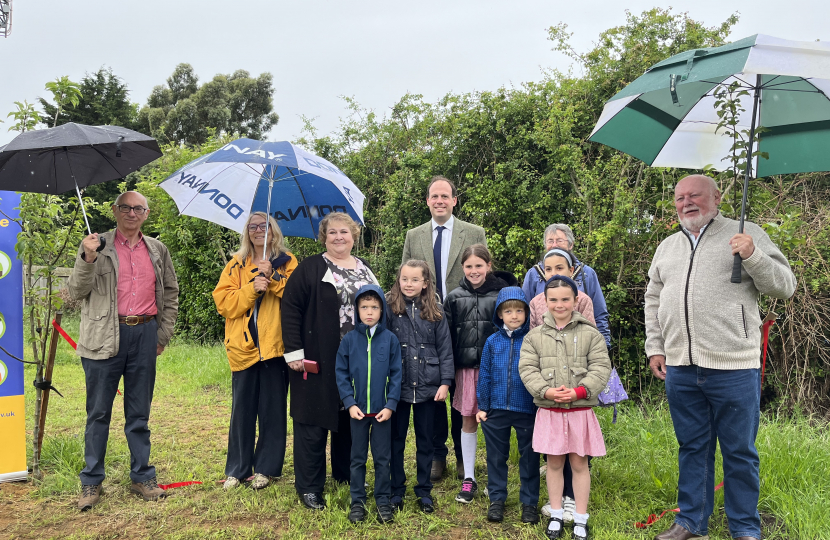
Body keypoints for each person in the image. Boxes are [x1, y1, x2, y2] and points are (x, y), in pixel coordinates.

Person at [645, 175, 796, 540]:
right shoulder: (667, 246)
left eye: (695, 195)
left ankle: (744, 527)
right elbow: (653, 298)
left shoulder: (746, 234)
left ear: (716, 197)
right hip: (681, 366)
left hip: (733, 366)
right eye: (680, 197)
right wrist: (656, 346)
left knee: (739, 451)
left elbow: (784, 286)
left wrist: (753, 255)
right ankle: (691, 522)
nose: (686, 202)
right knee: (692, 447)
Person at [68, 191, 179, 511]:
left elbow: (170, 292)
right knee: (98, 412)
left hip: (144, 334)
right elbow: (76, 291)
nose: (132, 213)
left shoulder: (157, 249)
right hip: (103, 335)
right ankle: (91, 482)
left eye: (138, 208)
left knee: (139, 413)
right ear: (115, 211)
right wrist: (87, 258)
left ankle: (142, 476)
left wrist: (163, 333)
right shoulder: (95, 244)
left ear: (146, 213)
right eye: (126, 208)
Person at [281, 212, 379, 510]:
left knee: (349, 415)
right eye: (332, 232)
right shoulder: (310, 268)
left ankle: (344, 473)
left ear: (354, 236)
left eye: (345, 232)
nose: (339, 237)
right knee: (312, 419)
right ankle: (310, 487)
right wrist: (295, 352)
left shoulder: (366, 269)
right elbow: (290, 308)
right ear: (324, 236)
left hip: (358, 358)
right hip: (318, 356)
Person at [402, 175, 487, 482]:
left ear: (454, 200)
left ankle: (465, 458)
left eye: (445, 196)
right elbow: (407, 279)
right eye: (434, 196)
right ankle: (438, 454)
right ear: (427, 201)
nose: (439, 201)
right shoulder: (415, 235)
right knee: (433, 391)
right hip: (427, 325)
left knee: (462, 391)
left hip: (464, 324)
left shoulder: (474, 232)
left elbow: (481, 275)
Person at [519, 276, 611, 540]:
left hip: (580, 411)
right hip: (550, 411)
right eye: (554, 300)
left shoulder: (591, 334)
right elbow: (527, 369)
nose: (560, 305)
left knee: (580, 464)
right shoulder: (534, 336)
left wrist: (579, 391)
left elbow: (600, 367)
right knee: (553, 464)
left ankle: (580, 518)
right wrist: (545, 391)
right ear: (545, 302)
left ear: (575, 301)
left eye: (565, 299)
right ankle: (557, 514)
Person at [212, 212, 297, 490]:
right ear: (247, 232)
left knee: (273, 411)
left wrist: (271, 280)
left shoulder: (288, 262)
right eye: (253, 227)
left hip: (275, 348)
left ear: (274, 231)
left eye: (265, 226)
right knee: (242, 412)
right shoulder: (236, 264)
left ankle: (266, 469)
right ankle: (237, 469)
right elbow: (224, 303)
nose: (259, 231)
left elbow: (297, 297)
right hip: (243, 348)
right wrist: (252, 287)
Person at [386, 260, 454, 514]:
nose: (409, 284)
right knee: (396, 440)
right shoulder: (389, 308)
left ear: (425, 283)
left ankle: (424, 490)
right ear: (399, 280)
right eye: (405, 279)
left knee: (426, 441)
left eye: (415, 280)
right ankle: (396, 489)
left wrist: (445, 382)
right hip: (398, 387)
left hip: (428, 386)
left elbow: (445, 349)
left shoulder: (435, 310)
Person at [443, 244, 508, 503]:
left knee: (494, 425)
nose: (474, 271)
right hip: (466, 371)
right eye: (469, 266)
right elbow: (446, 337)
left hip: (496, 371)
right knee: (468, 421)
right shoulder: (454, 297)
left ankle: (495, 480)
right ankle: (469, 477)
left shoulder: (503, 294)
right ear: (463, 268)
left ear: (488, 266)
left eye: (479, 265)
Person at [335, 285, 402, 524]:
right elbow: (341, 373)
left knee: (383, 458)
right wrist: (350, 403)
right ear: (357, 310)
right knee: (358, 458)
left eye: (374, 307)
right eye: (364, 307)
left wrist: (391, 404)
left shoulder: (390, 340)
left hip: (382, 411)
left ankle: (383, 500)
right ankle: (358, 502)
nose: (369, 312)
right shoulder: (350, 340)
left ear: (382, 310)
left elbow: (396, 374)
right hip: (358, 412)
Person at [476, 287, 540, 525]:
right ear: (500, 314)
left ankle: (530, 503)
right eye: (508, 311)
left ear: (526, 313)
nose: (514, 315)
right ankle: (497, 499)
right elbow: (484, 375)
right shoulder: (492, 342)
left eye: (519, 310)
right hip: (496, 410)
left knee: (530, 458)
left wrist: (539, 405)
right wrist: (483, 406)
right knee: (495, 457)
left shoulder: (534, 340)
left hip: (527, 409)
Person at [521, 224, 610, 347]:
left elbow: (599, 314)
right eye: (550, 241)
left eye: (559, 240)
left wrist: (603, 346)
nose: (554, 245)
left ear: (571, 244)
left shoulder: (586, 274)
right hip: (545, 348)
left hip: (578, 348)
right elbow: (525, 315)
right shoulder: (533, 274)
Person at [529, 249, 595, 329]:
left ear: (571, 270)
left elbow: (590, 334)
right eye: (548, 269)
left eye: (559, 268)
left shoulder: (583, 300)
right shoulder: (535, 302)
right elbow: (532, 336)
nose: (553, 273)